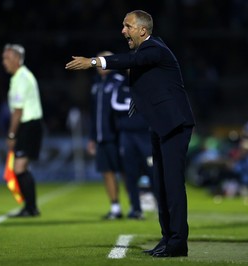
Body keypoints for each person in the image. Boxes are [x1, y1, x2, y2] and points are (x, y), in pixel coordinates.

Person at [66, 10, 195, 257]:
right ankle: (167, 238)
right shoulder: (146, 51)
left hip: (175, 125)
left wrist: (94, 61)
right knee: (161, 184)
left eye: (127, 26)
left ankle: (178, 243)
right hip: (161, 126)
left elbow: (130, 61)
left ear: (142, 30)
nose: (123, 30)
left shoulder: (154, 49)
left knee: (172, 185)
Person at [2, 44, 43, 217]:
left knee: (19, 167)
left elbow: (17, 112)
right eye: (4, 58)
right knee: (22, 167)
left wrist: (11, 134)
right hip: (31, 125)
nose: (4, 62)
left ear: (17, 59)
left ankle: (31, 208)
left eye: (7, 58)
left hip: (28, 125)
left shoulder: (21, 78)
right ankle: (30, 207)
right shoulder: (22, 76)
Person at [110, 74, 155, 219]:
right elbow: (115, 105)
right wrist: (137, 104)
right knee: (130, 174)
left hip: (145, 135)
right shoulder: (121, 85)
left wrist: (132, 104)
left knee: (153, 171)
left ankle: (163, 205)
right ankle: (136, 208)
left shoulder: (148, 82)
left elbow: (153, 104)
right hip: (127, 135)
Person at [87, 51, 124, 220]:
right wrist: (92, 137)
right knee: (106, 171)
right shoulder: (96, 84)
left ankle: (137, 204)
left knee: (126, 171)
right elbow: (93, 114)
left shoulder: (119, 82)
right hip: (102, 137)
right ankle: (115, 207)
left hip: (117, 137)